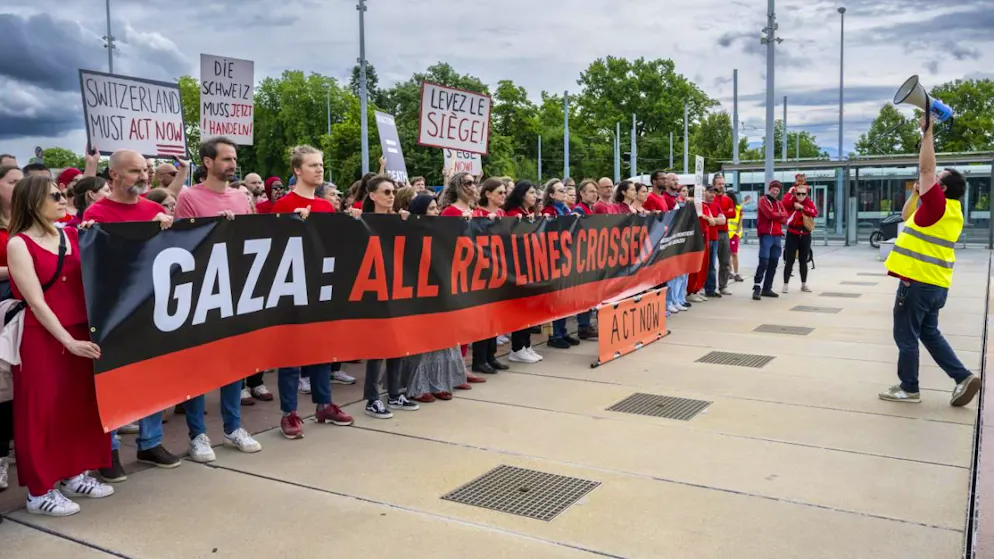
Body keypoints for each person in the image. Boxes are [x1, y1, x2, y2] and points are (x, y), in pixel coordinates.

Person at [7, 176, 114, 516]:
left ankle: (74, 472)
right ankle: (39, 491)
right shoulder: (19, 244)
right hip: (43, 336)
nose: (63, 199)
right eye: (54, 195)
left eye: (62, 193)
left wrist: (160, 223)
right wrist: (68, 341)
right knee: (41, 410)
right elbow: (35, 301)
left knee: (78, 406)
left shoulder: (73, 234)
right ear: (32, 202)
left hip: (81, 328)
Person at [82, 149, 179, 479]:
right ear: (114, 175)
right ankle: (108, 451)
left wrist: (168, 230)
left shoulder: (153, 210)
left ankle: (150, 442)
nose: (144, 176)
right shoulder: (97, 213)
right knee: (115, 379)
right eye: (136, 171)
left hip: (152, 308)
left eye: (145, 170)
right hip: (114, 311)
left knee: (154, 375)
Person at [172, 137, 263, 461]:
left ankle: (232, 427)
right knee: (198, 365)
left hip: (235, 289)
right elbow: (182, 243)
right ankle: (198, 434)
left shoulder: (240, 197)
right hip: (201, 291)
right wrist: (214, 228)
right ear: (208, 162)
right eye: (226, 158)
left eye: (234, 158)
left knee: (233, 362)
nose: (232, 164)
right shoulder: (189, 197)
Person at [879, 116, 980, 406]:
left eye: (937, 180)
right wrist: (915, 194)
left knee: (905, 336)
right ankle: (963, 377)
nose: (930, 180)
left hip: (916, 283)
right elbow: (906, 216)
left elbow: (925, 168)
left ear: (942, 189)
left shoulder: (937, 204)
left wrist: (928, 132)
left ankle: (909, 388)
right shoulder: (950, 210)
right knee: (929, 333)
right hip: (937, 286)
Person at [271, 146, 354, 438]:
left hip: (321, 284)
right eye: (312, 165)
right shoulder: (284, 205)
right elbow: (273, 247)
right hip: (292, 287)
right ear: (297, 170)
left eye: (321, 164)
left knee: (322, 347)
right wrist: (293, 224)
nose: (319, 169)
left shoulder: (326, 206)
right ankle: (289, 412)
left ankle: (324, 403)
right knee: (291, 352)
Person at [356, 176, 422, 419]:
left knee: (397, 342)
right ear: (372, 195)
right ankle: (372, 398)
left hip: (397, 287)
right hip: (373, 289)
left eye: (393, 191)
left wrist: (406, 224)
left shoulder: (398, 220)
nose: (391, 196)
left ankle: (394, 393)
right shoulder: (362, 220)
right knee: (378, 345)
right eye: (386, 192)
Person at [503, 180, 544, 363]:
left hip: (530, 266)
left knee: (529, 308)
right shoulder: (513, 214)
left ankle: (526, 345)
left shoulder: (529, 214)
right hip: (518, 268)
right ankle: (517, 348)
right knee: (520, 308)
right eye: (531, 193)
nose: (535, 196)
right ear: (522, 195)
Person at [752, 180, 788, 301]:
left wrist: (777, 215)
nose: (775, 192)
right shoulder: (763, 200)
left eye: (777, 190)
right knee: (764, 261)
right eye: (774, 189)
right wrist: (779, 215)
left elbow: (785, 217)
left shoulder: (778, 203)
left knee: (773, 262)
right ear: (769, 189)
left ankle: (767, 288)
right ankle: (757, 287)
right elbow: (769, 214)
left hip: (777, 236)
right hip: (766, 234)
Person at [781, 182, 818, 293]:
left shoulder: (809, 203)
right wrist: (789, 192)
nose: (801, 196)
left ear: (807, 194)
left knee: (803, 260)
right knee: (789, 260)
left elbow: (814, 213)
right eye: (798, 193)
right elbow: (783, 203)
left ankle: (804, 284)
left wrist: (802, 207)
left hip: (805, 235)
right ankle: (785, 284)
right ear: (795, 193)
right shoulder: (791, 202)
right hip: (792, 234)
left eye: (803, 194)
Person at [712, 174, 736, 296]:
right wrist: (724, 213)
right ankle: (709, 287)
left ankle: (723, 286)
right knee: (710, 262)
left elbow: (733, 214)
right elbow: (712, 213)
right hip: (713, 232)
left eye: (723, 184)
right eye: (719, 184)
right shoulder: (711, 199)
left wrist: (721, 214)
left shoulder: (728, 199)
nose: (721, 186)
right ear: (714, 185)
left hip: (724, 233)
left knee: (725, 261)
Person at [726, 191, 744, 282]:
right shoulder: (724, 207)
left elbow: (740, 221)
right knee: (727, 254)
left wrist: (737, 232)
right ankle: (730, 272)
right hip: (725, 233)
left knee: (734, 253)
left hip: (733, 234)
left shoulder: (738, 208)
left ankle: (736, 273)